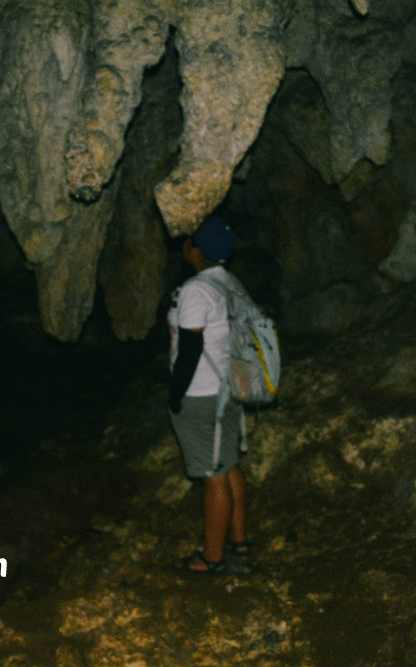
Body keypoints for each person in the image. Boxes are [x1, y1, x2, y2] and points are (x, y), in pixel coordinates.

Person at [168, 215, 252, 574]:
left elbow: (189, 349)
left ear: (196, 251)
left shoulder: (196, 291)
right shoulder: (230, 284)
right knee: (228, 465)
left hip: (202, 394)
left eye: (189, 241)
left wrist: (176, 394)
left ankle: (212, 559)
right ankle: (239, 541)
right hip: (227, 388)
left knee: (213, 476)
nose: (184, 245)